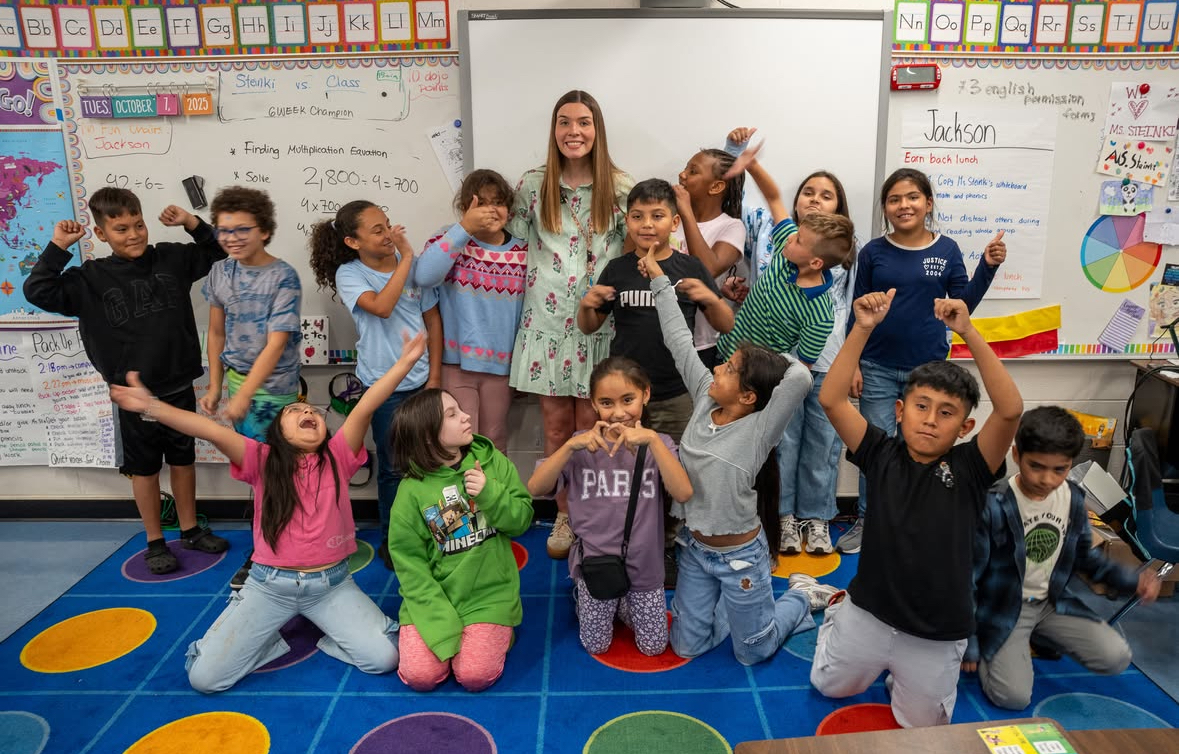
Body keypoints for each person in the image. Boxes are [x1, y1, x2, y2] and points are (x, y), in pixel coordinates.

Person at [108, 335, 427, 693]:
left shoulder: (337, 457)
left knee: (385, 657)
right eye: (294, 412)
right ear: (277, 434)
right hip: (269, 587)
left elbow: (367, 405)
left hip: (331, 586)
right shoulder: (260, 459)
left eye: (313, 412)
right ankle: (269, 638)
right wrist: (151, 406)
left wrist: (405, 362)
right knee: (204, 678)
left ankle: (324, 630)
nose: (307, 412)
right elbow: (207, 428)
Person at [813, 289, 1024, 727]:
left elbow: (1010, 410)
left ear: (965, 426)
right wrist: (863, 328)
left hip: (935, 631)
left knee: (920, 729)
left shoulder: (971, 466)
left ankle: (905, 676)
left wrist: (966, 330)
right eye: (922, 407)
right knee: (830, 686)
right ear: (899, 410)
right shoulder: (880, 452)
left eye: (946, 413)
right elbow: (832, 399)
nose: (930, 419)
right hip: (869, 612)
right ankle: (836, 610)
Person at [24, 188, 229, 575]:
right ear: (101, 234)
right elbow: (37, 290)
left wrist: (191, 222)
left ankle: (189, 529)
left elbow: (219, 251)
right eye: (121, 229)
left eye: (138, 225)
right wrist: (58, 247)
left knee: (184, 458)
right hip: (134, 396)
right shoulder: (88, 279)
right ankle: (155, 540)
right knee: (145, 468)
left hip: (178, 384)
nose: (134, 234)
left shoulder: (171, 257)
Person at [642, 244, 818, 665]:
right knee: (686, 645)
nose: (717, 367)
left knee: (751, 654)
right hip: (696, 550)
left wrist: (761, 352)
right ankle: (735, 610)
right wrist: (657, 279)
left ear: (749, 395)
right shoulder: (706, 397)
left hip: (740, 560)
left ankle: (800, 598)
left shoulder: (760, 430)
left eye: (729, 368)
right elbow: (678, 339)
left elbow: (798, 377)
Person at [840, 167, 1008, 555]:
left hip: (928, 373)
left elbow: (963, 307)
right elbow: (857, 310)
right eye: (894, 199)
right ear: (885, 207)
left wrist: (988, 266)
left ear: (928, 203)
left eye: (912, 197)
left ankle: (916, 518)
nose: (904, 205)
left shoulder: (946, 249)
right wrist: (852, 364)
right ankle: (871, 519)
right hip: (877, 368)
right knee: (873, 449)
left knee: (924, 447)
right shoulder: (873, 253)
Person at [963, 406, 1162, 710]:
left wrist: (1131, 581)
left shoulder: (1073, 498)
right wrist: (971, 642)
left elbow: (1086, 559)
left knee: (1115, 657)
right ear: (1016, 455)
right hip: (1003, 610)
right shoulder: (993, 505)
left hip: (1051, 602)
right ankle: (1005, 645)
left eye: (1060, 469)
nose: (1047, 479)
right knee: (1013, 697)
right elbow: (968, 578)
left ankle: (1040, 638)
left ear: (1071, 465)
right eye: (1037, 466)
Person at [508, 89, 634, 559]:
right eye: (565, 122)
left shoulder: (620, 186)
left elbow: (639, 247)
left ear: (596, 129)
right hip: (546, 325)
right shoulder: (533, 183)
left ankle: (592, 516)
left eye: (583, 122)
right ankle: (564, 514)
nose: (573, 132)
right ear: (554, 129)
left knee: (596, 429)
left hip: (599, 328)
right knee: (557, 430)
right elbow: (513, 242)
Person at [527, 357, 692, 656]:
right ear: (593, 404)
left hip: (644, 567)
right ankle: (587, 595)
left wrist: (653, 440)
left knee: (654, 647)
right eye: (606, 402)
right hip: (596, 567)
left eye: (628, 400)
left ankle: (621, 602)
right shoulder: (581, 444)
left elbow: (683, 493)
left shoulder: (659, 443)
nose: (618, 413)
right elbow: (536, 488)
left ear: (646, 395)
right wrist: (568, 447)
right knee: (596, 646)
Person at [309, 200, 441, 570]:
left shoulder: (411, 270)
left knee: (428, 464)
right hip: (382, 388)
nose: (388, 234)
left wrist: (435, 378)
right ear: (353, 242)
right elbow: (382, 307)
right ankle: (392, 540)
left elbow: (433, 321)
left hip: (421, 383)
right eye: (378, 230)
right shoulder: (350, 275)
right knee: (394, 467)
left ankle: (429, 533)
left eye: (388, 225)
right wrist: (407, 260)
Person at [387, 389, 534, 691]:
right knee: (420, 677)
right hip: (433, 597)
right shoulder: (410, 490)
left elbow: (521, 522)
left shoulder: (494, 464)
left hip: (488, 596)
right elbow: (409, 562)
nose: (466, 416)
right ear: (428, 437)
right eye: (452, 414)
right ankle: (473, 636)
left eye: (459, 409)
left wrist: (490, 493)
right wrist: (438, 619)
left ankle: (498, 628)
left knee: (474, 676)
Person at [200, 186, 302, 589]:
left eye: (243, 229)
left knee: (277, 475)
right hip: (238, 384)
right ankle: (267, 546)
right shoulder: (219, 273)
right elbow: (215, 330)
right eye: (224, 230)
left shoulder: (283, 276)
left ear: (264, 230)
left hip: (273, 391)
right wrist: (215, 385)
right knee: (261, 477)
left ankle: (271, 552)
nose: (232, 238)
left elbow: (277, 343)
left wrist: (245, 396)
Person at [578, 178, 734, 443]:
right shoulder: (617, 269)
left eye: (657, 216)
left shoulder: (690, 268)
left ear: (674, 223)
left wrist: (711, 298)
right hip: (625, 396)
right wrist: (586, 306)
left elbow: (726, 324)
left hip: (677, 391)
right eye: (638, 216)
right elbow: (589, 326)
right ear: (628, 222)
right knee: (627, 465)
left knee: (678, 466)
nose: (647, 224)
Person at [414, 169, 527, 452]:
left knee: (493, 442)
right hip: (456, 365)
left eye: (498, 202)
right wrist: (464, 229)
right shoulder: (449, 239)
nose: (490, 209)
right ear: (465, 208)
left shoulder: (523, 253)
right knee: (457, 442)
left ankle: (489, 496)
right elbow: (425, 276)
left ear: (509, 210)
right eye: (481, 202)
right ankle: (460, 498)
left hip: (501, 368)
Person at [775, 171, 857, 556]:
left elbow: (855, 314)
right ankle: (785, 516)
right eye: (807, 192)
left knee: (823, 444)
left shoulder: (847, 259)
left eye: (826, 195)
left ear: (838, 207)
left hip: (830, 365)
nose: (814, 199)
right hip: (786, 365)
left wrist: (853, 361)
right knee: (785, 442)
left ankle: (818, 517)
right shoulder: (784, 248)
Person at [672, 148, 747, 368]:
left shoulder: (731, 227)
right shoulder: (667, 218)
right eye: (686, 168)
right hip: (659, 336)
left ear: (715, 187)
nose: (682, 175)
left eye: (692, 171)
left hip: (700, 345)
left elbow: (706, 268)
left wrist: (686, 212)